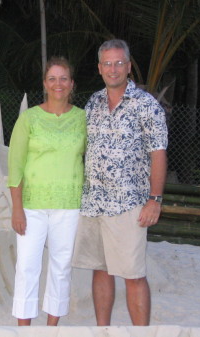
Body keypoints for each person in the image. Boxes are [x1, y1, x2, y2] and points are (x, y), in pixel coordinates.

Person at [72, 39, 168, 326]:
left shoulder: (146, 105)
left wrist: (155, 199)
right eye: (107, 64)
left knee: (134, 274)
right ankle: (103, 331)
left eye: (118, 63)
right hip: (94, 203)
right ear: (100, 68)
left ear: (128, 66)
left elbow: (159, 154)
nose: (113, 69)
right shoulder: (93, 102)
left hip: (128, 204)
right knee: (100, 271)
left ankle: (141, 334)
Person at [7, 56, 86, 326]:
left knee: (61, 267)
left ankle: (51, 329)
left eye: (63, 78)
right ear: (45, 83)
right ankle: (24, 330)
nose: (58, 84)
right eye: (52, 78)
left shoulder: (82, 119)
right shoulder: (29, 119)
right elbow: (15, 166)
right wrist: (17, 208)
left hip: (69, 204)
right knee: (27, 267)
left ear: (72, 83)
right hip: (31, 206)